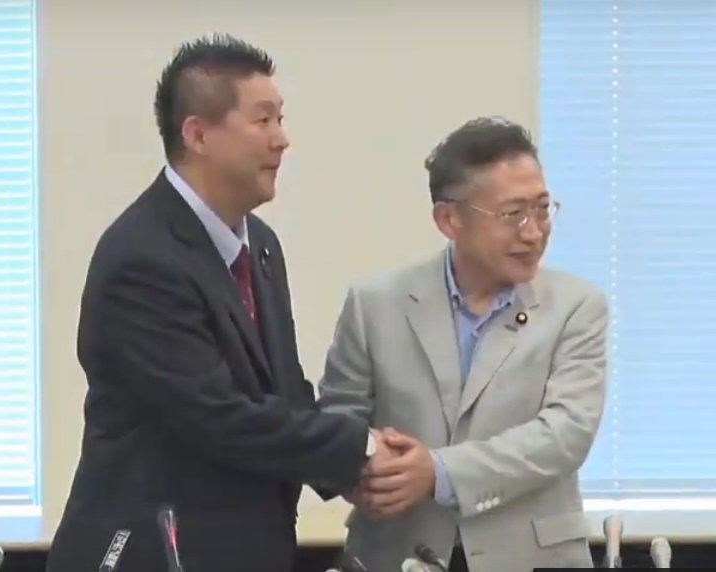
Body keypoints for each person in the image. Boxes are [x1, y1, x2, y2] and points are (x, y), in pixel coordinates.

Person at [45, 34, 394, 572]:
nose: (282, 140)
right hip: (155, 555)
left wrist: (349, 472)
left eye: (281, 119)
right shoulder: (142, 257)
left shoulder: (261, 245)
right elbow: (219, 416)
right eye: (263, 120)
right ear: (198, 134)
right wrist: (360, 448)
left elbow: (282, 391)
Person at [317, 117, 609, 572]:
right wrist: (363, 468)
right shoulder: (375, 303)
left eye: (542, 209)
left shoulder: (576, 307)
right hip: (397, 553)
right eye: (513, 214)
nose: (534, 232)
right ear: (449, 219)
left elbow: (564, 434)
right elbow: (339, 418)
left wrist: (436, 472)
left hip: (531, 556)